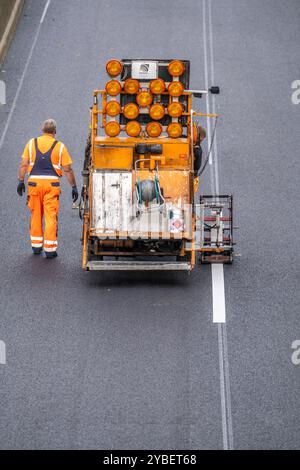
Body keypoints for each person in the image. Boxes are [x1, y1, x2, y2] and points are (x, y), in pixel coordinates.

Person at [17, 119, 78, 258]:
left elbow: (23, 164)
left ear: (42, 130)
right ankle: (50, 249)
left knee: (35, 214)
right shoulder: (60, 146)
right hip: (52, 185)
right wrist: (74, 187)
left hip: (34, 184)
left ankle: (36, 246)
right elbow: (67, 169)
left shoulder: (31, 143)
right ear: (55, 132)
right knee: (51, 216)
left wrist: (21, 181)